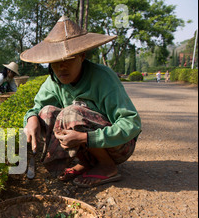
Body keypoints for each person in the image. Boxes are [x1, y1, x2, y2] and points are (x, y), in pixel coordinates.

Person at [21, 16, 141, 188]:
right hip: (86, 144)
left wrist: (86, 137)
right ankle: (87, 162)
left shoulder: (103, 78)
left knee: (71, 113)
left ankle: (107, 166)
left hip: (118, 145)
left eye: (68, 59)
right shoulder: (54, 81)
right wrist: (31, 119)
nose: (62, 67)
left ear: (82, 56)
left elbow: (132, 123)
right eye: (56, 62)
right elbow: (37, 108)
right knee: (45, 113)